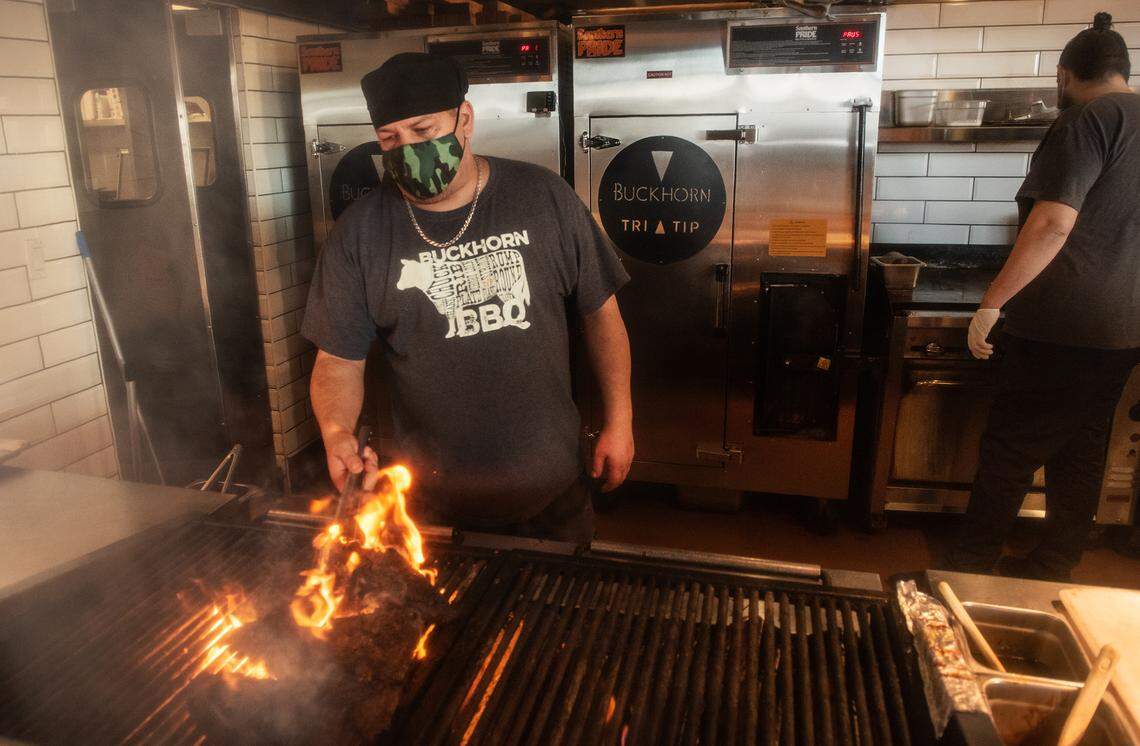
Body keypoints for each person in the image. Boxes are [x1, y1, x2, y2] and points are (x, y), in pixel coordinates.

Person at [301, 53, 634, 543]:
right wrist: (335, 434)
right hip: (428, 504)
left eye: (422, 129)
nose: (408, 149)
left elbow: (601, 316)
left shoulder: (543, 197)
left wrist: (620, 420)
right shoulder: (360, 233)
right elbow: (337, 360)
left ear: (465, 120)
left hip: (551, 491)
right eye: (390, 139)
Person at [942, 13, 1140, 581]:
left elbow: (1052, 223)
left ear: (1064, 75)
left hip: (1064, 323)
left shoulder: (1087, 121)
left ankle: (966, 566)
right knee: (1081, 448)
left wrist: (992, 304)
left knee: (1011, 447)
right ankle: (1054, 564)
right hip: (1125, 329)